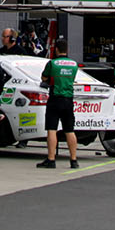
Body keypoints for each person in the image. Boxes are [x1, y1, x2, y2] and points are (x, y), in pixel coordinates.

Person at [36, 39, 79, 169]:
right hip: (68, 98)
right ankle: (73, 160)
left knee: (52, 129)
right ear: (67, 50)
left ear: (56, 50)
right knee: (69, 130)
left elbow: (44, 77)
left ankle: (51, 159)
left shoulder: (52, 63)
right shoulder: (74, 64)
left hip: (55, 98)